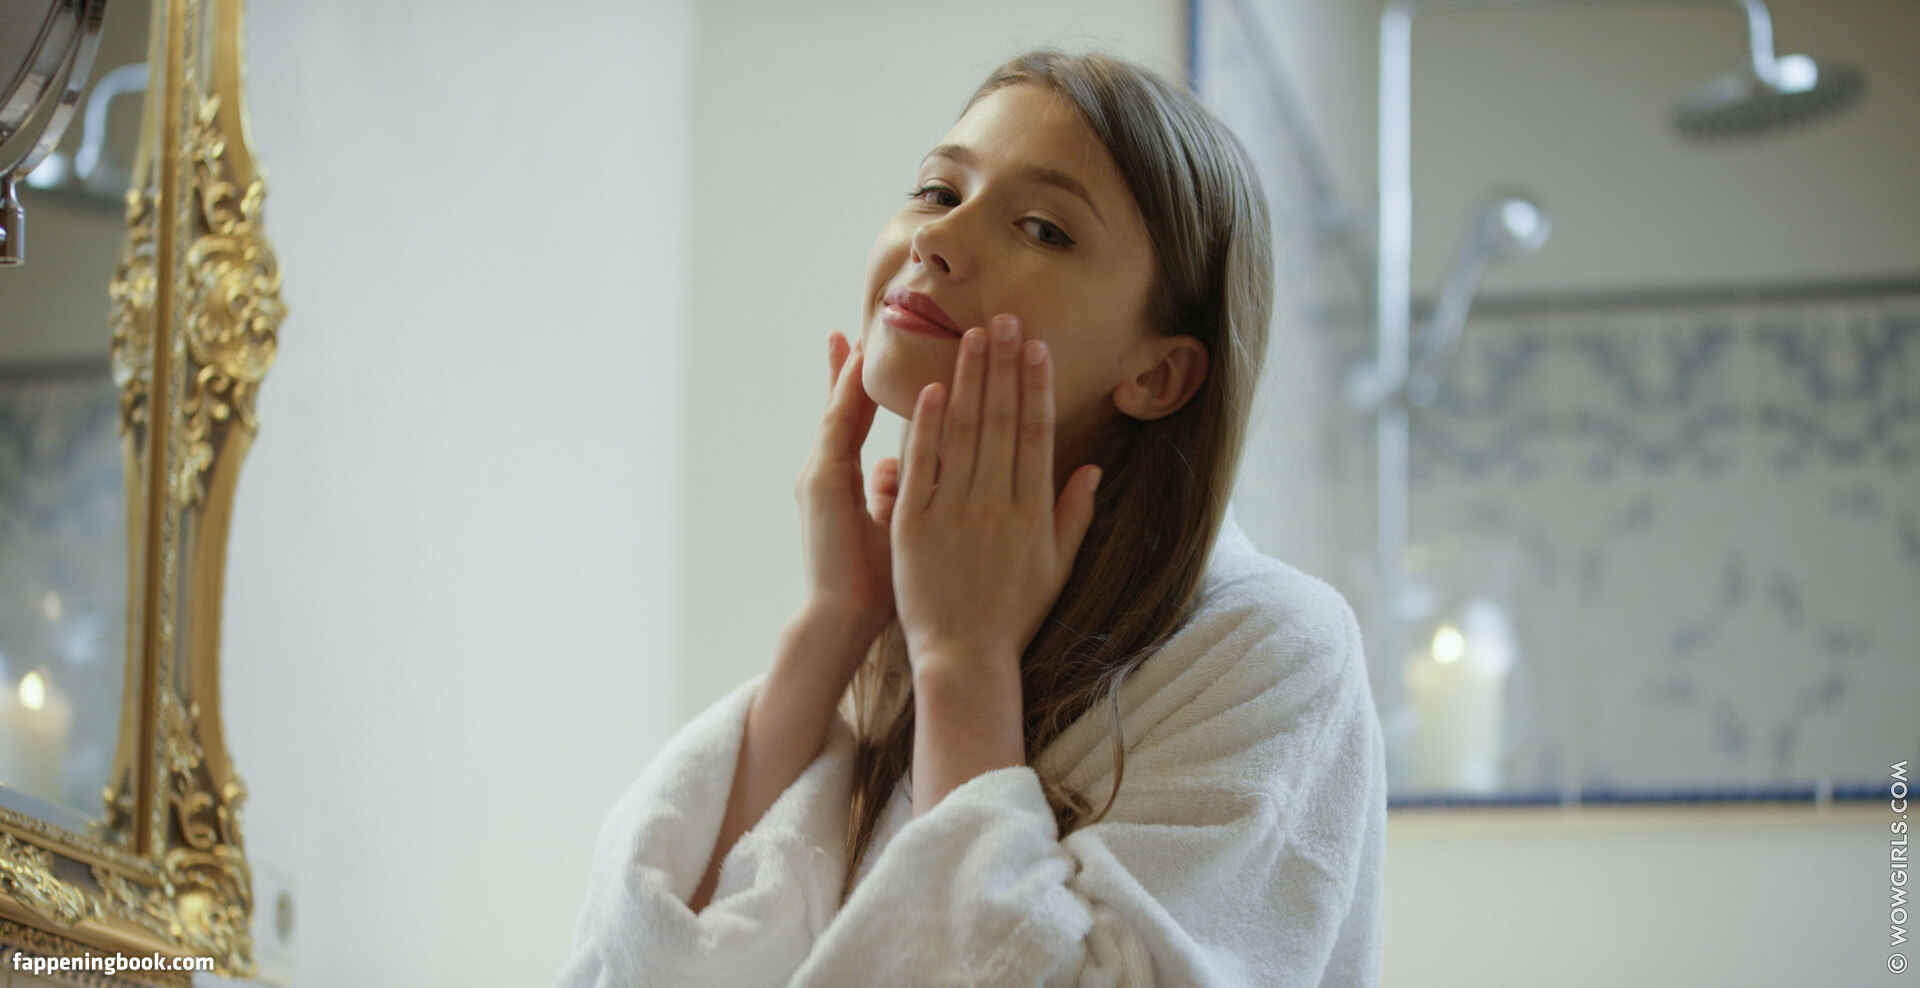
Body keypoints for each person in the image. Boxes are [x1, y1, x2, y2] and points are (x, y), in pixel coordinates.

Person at [555, 49, 1385, 987]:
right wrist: (836, 620)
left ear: (1159, 374)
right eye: (936, 190)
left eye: (1043, 228)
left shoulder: (1274, 649)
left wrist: (966, 664)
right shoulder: (892, 626)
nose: (937, 238)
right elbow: (652, 964)